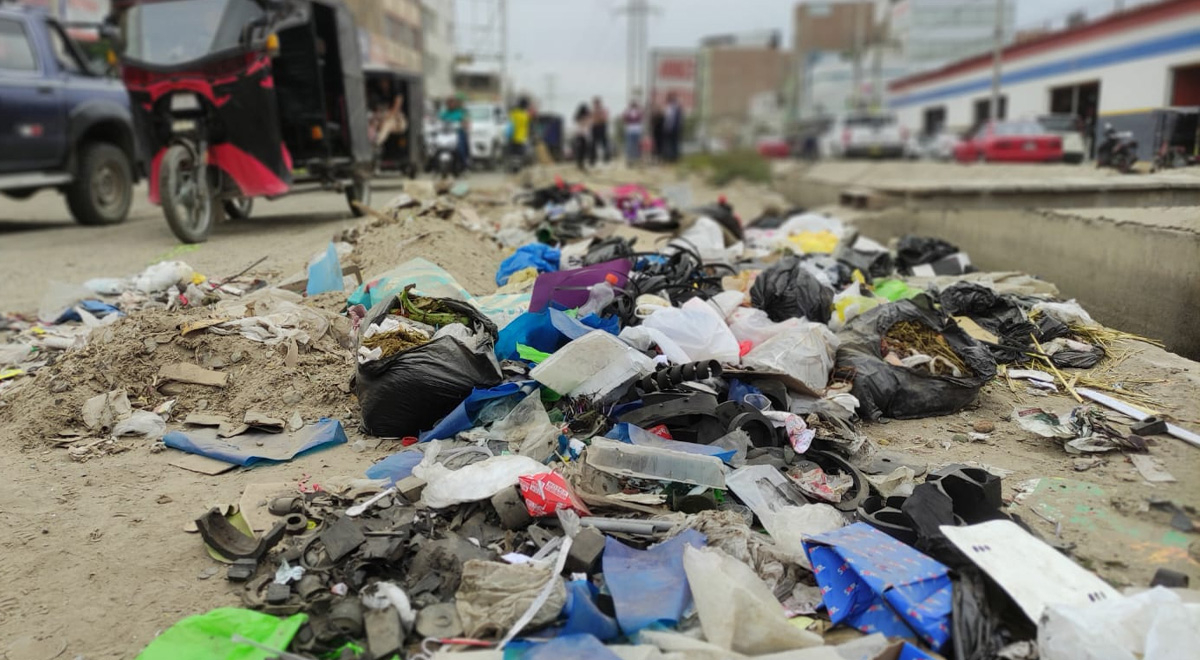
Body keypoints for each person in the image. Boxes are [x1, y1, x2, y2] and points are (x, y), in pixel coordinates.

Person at [440, 95, 470, 167]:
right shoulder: (443, 113)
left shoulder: (460, 113)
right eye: (449, 102)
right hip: (445, 134)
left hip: (457, 134)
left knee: (461, 148)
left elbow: (465, 122)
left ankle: (464, 162)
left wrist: (464, 125)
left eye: (452, 102)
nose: (451, 104)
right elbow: (438, 122)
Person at [508, 96, 532, 167]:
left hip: (512, 137)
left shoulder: (513, 113)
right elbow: (528, 127)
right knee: (519, 156)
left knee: (512, 154)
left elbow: (509, 123)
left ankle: (512, 167)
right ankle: (517, 169)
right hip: (521, 138)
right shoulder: (525, 116)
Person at [663, 92, 684, 162]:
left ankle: (674, 158)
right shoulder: (668, 107)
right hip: (668, 129)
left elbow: (678, 119)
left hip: (675, 128)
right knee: (668, 143)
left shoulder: (677, 107)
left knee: (674, 143)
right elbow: (666, 119)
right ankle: (668, 157)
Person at [621, 100, 644, 165]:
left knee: (637, 145)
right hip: (630, 130)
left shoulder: (639, 111)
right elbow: (624, 118)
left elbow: (642, 117)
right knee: (630, 145)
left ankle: (637, 158)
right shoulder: (628, 111)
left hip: (636, 130)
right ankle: (630, 158)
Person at [590, 97, 610, 165]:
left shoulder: (603, 110)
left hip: (602, 127)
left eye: (597, 103)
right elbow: (591, 119)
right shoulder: (592, 111)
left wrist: (598, 118)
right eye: (595, 103)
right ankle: (592, 159)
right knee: (593, 144)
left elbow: (604, 118)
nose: (596, 105)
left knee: (604, 143)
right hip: (594, 127)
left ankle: (606, 159)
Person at [573, 103, 592, 172]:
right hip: (579, 135)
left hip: (585, 136)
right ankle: (579, 163)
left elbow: (588, 124)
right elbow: (581, 124)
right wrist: (584, 120)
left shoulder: (588, 117)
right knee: (580, 150)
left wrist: (587, 119)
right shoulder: (578, 117)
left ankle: (581, 163)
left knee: (584, 150)